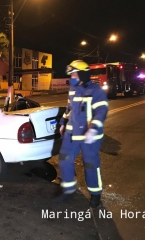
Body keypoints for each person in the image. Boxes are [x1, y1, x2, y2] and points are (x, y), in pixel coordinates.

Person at [57, 60, 108, 208]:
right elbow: (69, 109)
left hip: (89, 137)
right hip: (72, 135)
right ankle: (68, 189)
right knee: (64, 159)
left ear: (83, 74)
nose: (72, 76)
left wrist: (93, 128)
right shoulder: (73, 90)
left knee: (90, 165)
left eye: (74, 73)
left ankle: (95, 194)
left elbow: (101, 111)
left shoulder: (96, 91)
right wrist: (62, 124)